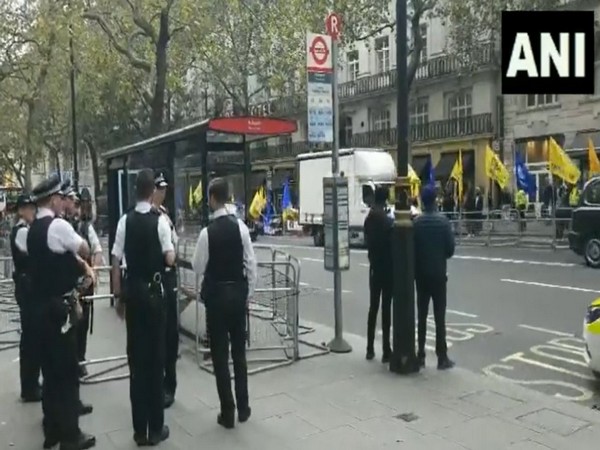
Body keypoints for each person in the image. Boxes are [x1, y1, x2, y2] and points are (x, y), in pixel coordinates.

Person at [27, 173, 96, 450]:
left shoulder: (32, 229)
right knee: (66, 372)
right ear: (54, 199)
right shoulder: (58, 227)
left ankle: (52, 430)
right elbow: (85, 247)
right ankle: (70, 435)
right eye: (60, 198)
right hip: (60, 310)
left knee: (50, 373)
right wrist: (78, 259)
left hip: (39, 308)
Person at [111, 169, 174, 446]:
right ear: (151, 192)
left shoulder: (125, 220)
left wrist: (118, 296)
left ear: (135, 190)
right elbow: (169, 258)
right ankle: (156, 427)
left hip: (133, 295)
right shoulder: (160, 221)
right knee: (156, 359)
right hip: (155, 295)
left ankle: (139, 430)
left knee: (136, 363)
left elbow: (115, 261)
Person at [192, 178, 256, 429]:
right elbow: (251, 264)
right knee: (239, 354)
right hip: (237, 297)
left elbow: (198, 265)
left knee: (220, 356)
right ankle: (244, 406)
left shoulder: (207, 233)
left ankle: (227, 411)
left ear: (212, 199)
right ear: (228, 197)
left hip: (216, 299)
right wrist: (247, 294)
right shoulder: (241, 228)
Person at [413, 185, 455, 371]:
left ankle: (420, 354)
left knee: (422, 316)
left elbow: (412, 249)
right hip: (439, 275)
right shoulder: (443, 222)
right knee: (439, 317)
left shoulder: (417, 223)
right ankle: (442, 357)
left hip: (421, 275)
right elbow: (450, 249)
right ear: (436, 200)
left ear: (422, 200)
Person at [68, 191, 104, 378]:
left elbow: (97, 251)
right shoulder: (60, 225)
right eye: (74, 204)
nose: (76, 208)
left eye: (78, 204)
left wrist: (93, 273)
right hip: (67, 285)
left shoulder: (86, 227)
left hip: (83, 285)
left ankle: (80, 361)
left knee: (81, 326)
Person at [10, 193, 41, 402]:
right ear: (21, 210)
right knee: (30, 338)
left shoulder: (24, 230)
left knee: (32, 337)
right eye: (29, 207)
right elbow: (36, 253)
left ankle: (31, 382)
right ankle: (29, 386)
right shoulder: (21, 231)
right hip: (27, 288)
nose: (33, 211)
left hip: (28, 287)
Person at [152, 172, 179, 408]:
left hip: (169, 279)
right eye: (160, 190)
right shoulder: (150, 217)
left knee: (170, 334)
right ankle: (160, 383)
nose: (163, 194)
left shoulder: (165, 215)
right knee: (159, 335)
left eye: (164, 190)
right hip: (159, 276)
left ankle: (169, 384)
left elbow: (175, 240)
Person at [363, 186, 393, 363]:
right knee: (386, 309)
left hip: (374, 267)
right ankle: (386, 349)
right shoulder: (387, 221)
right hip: (387, 268)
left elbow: (368, 241)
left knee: (373, 308)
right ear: (386, 199)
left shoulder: (369, 219)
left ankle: (369, 348)